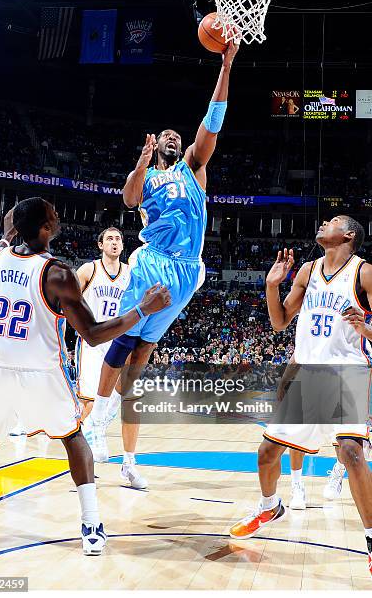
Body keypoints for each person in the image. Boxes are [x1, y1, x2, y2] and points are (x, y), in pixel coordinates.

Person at [0, 198, 170, 556]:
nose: (59, 217)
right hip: (40, 373)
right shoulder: (57, 273)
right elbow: (91, 333)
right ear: (45, 229)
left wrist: (4, 239)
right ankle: (91, 522)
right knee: (74, 439)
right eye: (53, 215)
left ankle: (91, 521)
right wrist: (143, 309)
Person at [86, 39, 241, 482]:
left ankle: (128, 454)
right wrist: (140, 162)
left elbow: (213, 120)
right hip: (154, 261)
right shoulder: (151, 176)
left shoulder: (195, 166)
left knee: (142, 356)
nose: (174, 137)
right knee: (123, 341)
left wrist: (225, 66)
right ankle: (97, 423)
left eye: (178, 135)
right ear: (157, 148)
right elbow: (130, 198)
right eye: (166, 136)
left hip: (187, 270)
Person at [229, 215, 372, 574]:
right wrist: (271, 286)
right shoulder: (307, 270)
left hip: (347, 373)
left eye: (333, 221)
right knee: (266, 453)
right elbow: (279, 322)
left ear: (349, 235)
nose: (324, 222)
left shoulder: (364, 273)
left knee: (352, 453)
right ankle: (269, 506)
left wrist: (365, 326)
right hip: (307, 375)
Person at [75, 226, 147, 488]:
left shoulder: (132, 273)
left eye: (118, 239)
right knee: (90, 404)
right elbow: (69, 300)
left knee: (130, 402)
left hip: (122, 340)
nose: (115, 242)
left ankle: (128, 464)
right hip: (94, 341)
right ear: (100, 244)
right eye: (110, 239)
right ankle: (84, 453)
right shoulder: (88, 270)